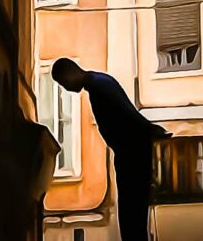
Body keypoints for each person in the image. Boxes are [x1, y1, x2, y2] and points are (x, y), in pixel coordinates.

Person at [51, 57, 171, 241]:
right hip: (130, 153)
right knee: (134, 215)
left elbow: (126, 112)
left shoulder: (100, 86)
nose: (66, 89)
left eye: (63, 83)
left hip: (131, 156)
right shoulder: (99, 84)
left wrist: (150, 129)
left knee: (132, 216)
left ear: (70, 73)